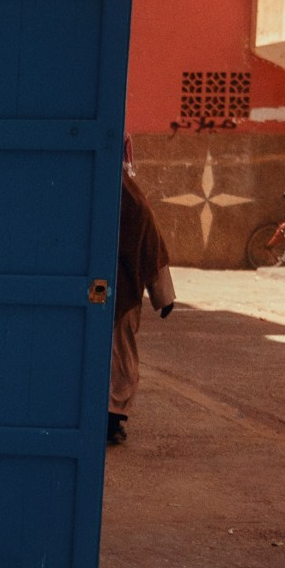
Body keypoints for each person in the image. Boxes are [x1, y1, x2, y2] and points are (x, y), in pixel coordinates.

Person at [109, 171, 174, 444]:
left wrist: (163, 296)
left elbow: (149, 243)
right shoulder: (133, 201)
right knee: (119, 357)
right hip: (119, 290)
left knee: (119, 355)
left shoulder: (131, 203)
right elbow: (152, 244)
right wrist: (164, 297)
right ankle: (112, 417)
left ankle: (112, 417)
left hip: (121, 291)